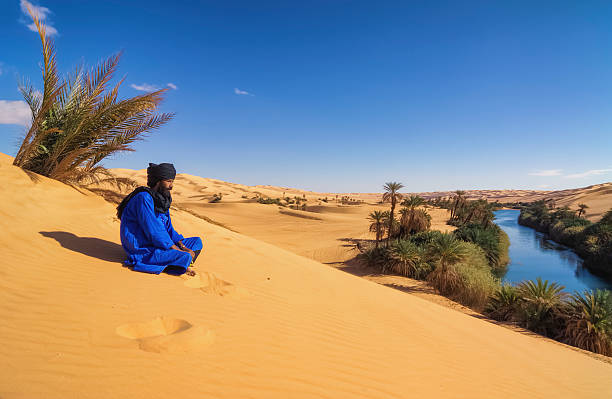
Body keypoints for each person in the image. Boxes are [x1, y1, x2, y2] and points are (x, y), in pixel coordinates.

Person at [116, 162, 202, 275]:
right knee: (184, 255)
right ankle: (177, 263)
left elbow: (169, 228)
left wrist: (182, 245)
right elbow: (154, 231)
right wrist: (176, 249)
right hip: (143, 248)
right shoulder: (143, 198)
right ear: (158, 181)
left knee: (196, 242)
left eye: (172, 181)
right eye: (168, 181)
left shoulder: (161, 199)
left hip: (161, 243)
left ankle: (178, 262)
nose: (171, 186)